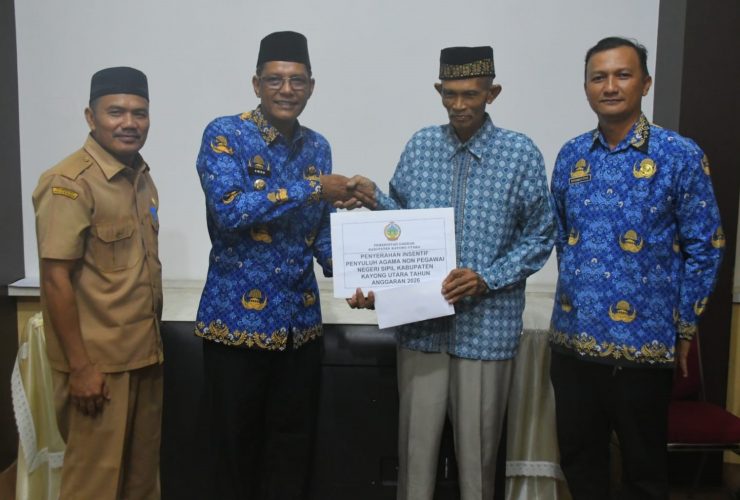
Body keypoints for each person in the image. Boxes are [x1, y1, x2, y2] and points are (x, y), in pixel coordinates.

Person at [347, 46, 555, 500]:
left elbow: (541, 235)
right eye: (449, 94)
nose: (459, 105)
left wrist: (487, 277)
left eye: (471, 94)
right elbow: (400, 227)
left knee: (478, 466)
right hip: (422, 328)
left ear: (492, 93)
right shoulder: (421, 146)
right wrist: (373, 199)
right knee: (414, 457)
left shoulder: (519, 154)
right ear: (438, 90)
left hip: (486, 330)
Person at [194, 31, 371, 499]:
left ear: (311, 86)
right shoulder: (225, 134)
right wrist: (313, 189)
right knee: (234, 454)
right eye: (275, 80)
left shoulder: (318, 148)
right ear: (256, 84)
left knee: (292, 453)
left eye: (297, 80)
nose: (286, 89)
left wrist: (357, 277)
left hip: (299, 328)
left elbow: (321, 232)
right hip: (236, 327)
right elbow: (231, 209)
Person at [549, 37, 724, 499]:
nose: (610, 86)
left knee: (644, 473)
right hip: (572, 346)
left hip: (643, 349)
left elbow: (706, 247)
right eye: (598, 77)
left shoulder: (679, 155)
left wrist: (684, 326)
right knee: (579, 461)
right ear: (586, 87)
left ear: (645, 83)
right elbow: (562, 237)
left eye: (622, 75)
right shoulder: (571, 156)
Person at [33, 66, 162, 500]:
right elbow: (55, 280)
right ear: (91, 117)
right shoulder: (69, 182)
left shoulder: (140, 177)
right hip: (97, 369)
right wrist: (81, 369)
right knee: (94, 488)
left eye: (140, 113)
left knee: (140, 485)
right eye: (116, 112)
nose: (130, 123)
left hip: (143, 357)